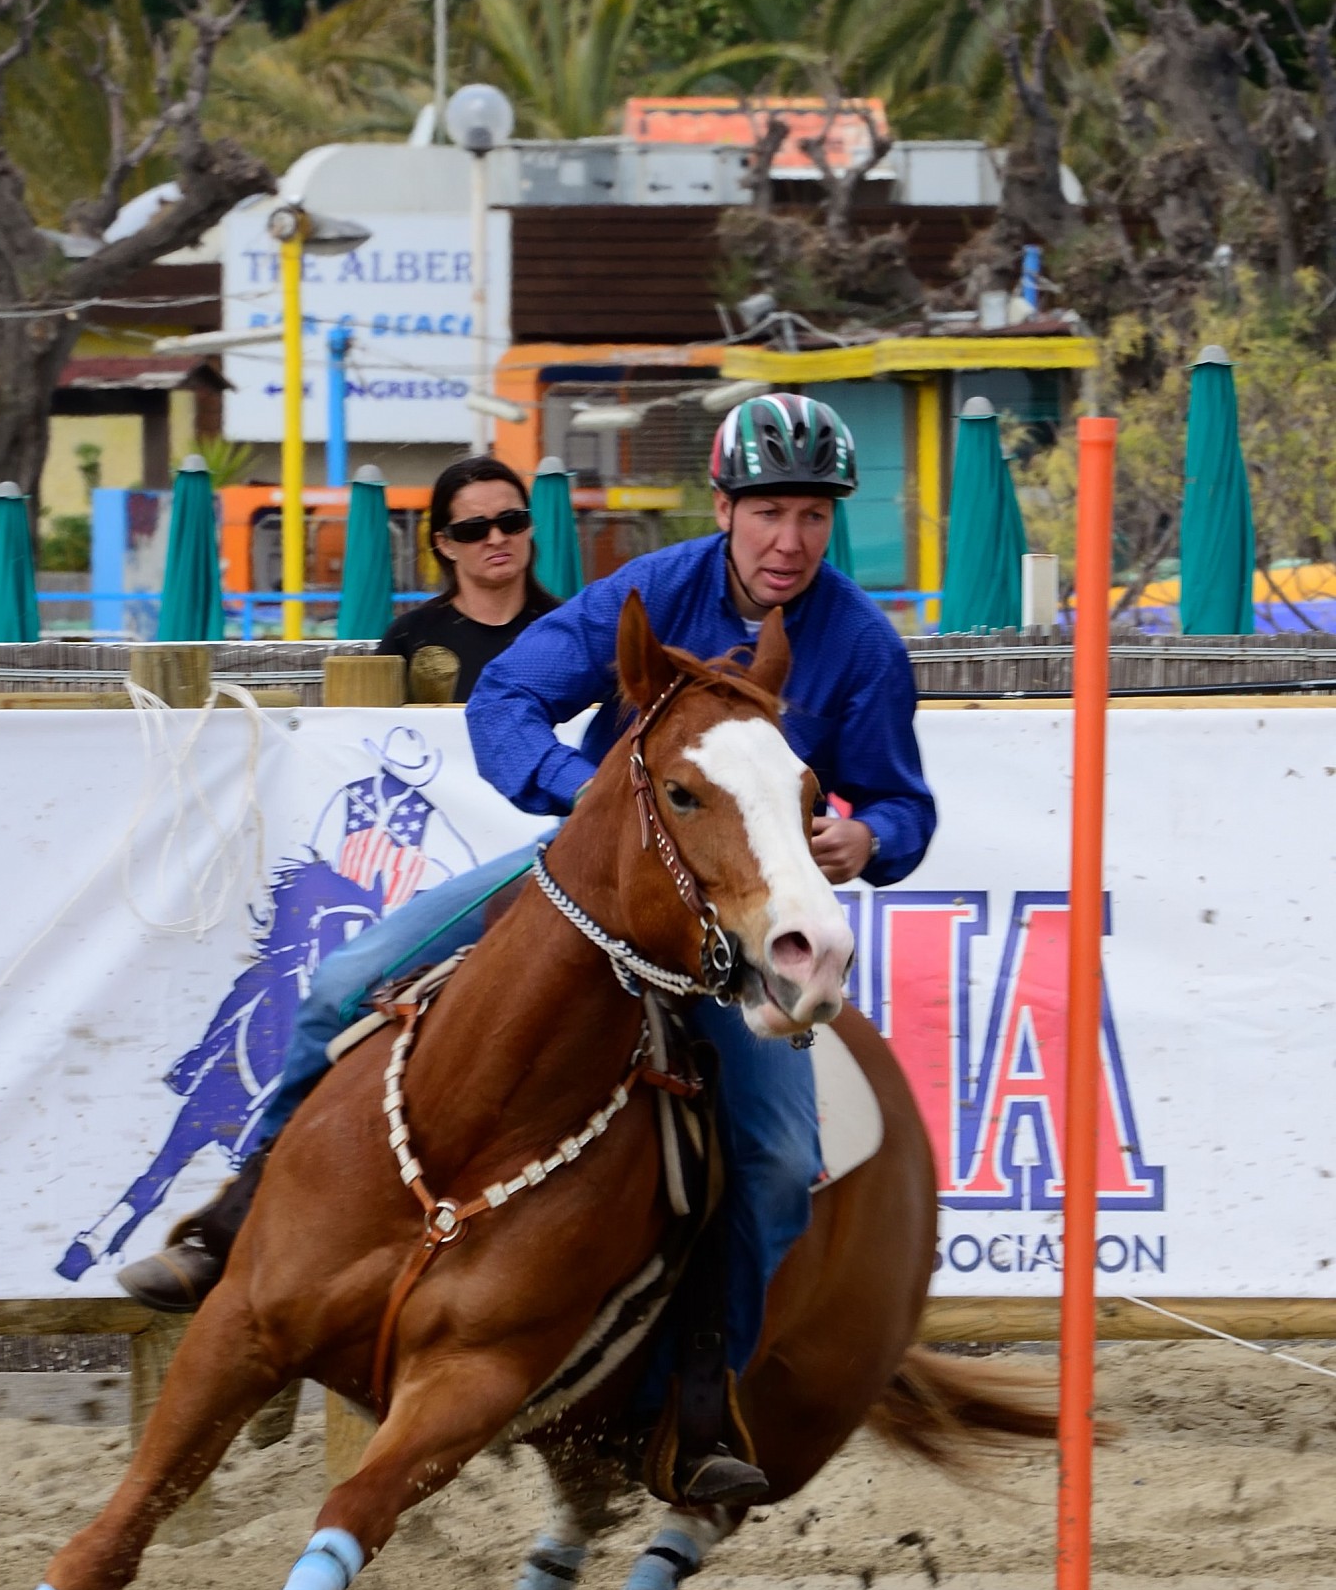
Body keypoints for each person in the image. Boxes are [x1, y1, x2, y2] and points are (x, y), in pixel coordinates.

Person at [119, 394, 937, 1502]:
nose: (790, 540)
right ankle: (231, 1222)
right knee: (345, 983)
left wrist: (868, 833)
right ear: (725, 509)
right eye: (769, 513)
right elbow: (509, 694)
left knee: (782, 1159)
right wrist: (588, 799)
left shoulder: (865, 647)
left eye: (811, 516)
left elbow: (904, 803)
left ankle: (702, 1401)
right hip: (591, 883)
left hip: (736, 931)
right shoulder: (644, 594)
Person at [377, 454, 559, 702]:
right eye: (474, 529)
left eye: (512, 521)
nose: (496, 539)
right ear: (445, 544)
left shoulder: (570, 629)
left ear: (529, 526)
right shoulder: (409, 636)